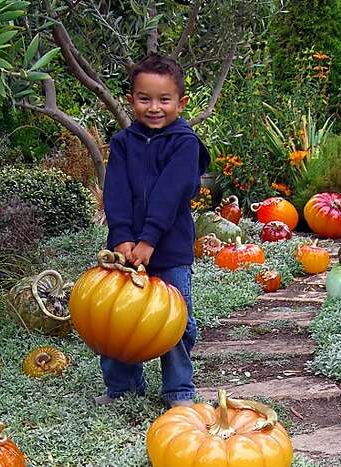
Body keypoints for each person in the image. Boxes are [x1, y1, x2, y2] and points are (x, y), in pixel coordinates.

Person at [96, 54, 210, 408]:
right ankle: (123, 387)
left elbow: (169, 195)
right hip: (124, 252)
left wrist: (148, 240)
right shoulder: (123, 143)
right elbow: (115, 194)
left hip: (170, 250)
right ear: (131, 101)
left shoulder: (185, 143)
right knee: (115, 318)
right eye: (144, 99)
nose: (154, 108)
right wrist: (123, 238)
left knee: (173, 322)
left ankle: (178, 389)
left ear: (181, 102)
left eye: (164, 99)